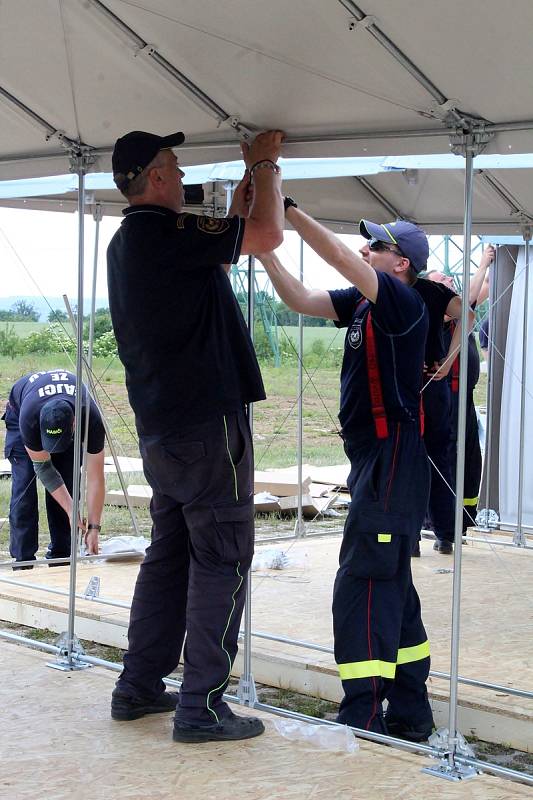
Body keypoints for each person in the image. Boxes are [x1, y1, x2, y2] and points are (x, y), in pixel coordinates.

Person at [106, 129, 284, 743]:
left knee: (170, 556)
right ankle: (202, 706)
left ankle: (138, 686)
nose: (183, 179)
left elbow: (230, 243)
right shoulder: (168, 235)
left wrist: (240, 206)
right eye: (175, 168)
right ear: (155, 178)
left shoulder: (132, 243)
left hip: (164, 432)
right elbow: (267, 236)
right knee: (223, 556)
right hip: (208, 426)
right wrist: (262, 163)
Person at [256, 212, 434, 741]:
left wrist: (283, 211)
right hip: (373, 459)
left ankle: (364, 712)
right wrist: (265, 251)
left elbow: (334, 253)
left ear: (400, 264)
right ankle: (409, 711)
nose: (362, 249)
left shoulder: (403, 302)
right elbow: (300, 298)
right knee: (389, 579)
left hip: (391, 457)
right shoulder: (360, 303)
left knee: (363, 583)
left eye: (374, 246)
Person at [2, 369, 105, 568]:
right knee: (24, 488)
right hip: (22, 409)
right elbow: (44, 469)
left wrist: (94, 527)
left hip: (66, 412)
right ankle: (23, 562)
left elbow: (95, 478)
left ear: (74, 423)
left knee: (67, 483)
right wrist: (71, 509)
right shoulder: (29, 417)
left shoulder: (90, 418)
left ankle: (62, 558)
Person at [428, 245, 495, 533]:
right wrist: (481, 263)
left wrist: (493, 262)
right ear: (431, 287)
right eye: (443, 279)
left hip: (464, 399)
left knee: (469, 458)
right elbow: (468, 299)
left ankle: (463, 521)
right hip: (446, 398)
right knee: (448, 457)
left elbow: (483, 290)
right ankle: (440, 524)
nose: (450, 281)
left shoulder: (457, 312)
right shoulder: (435, 309)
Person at [412, 274, 474, 554]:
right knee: (433, 457)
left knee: (429, 457)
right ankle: (435, 535)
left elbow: (469, 314)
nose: (447, 280)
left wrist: (448, 363)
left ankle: (437, 534)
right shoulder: (429, 291)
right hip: (425, 385)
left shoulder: (430, 291)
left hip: (425, 384)